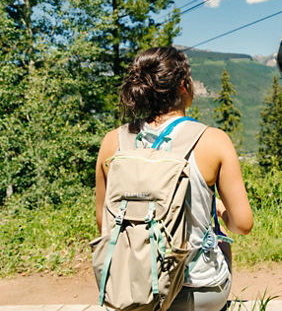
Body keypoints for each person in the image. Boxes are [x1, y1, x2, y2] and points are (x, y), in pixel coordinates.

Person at [95, 47, 253, 311]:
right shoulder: (213, 140)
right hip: (198, 290)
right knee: (222, 244)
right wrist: (220, 211)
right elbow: (242, 225)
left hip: (132, 287)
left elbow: (104, 221)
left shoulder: (113, 142)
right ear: (184, 86)